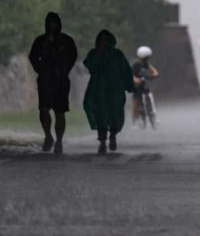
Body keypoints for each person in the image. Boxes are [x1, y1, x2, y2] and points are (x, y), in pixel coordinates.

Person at [28, 12, 78, 154]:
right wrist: (41, 70)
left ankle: (59, 141)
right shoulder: (40, 41)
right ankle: (48, 136)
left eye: (55, 23)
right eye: (50, 23)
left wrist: (65, 70)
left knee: (60, 111)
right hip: (45, 80)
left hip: (61, 80)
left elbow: (73, 56)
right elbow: (32, 57)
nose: (52, 26)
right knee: (44, 109)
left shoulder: (66, 41)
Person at [83, 29, 134, 154]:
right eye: (101, 40)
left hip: (115, 90)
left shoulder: (117, 55)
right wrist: (99, 55)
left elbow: (126, 70)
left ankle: (113, 136)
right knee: (101, 116)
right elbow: (90, 66)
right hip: (98, 90)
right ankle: (102, 142)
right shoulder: (94, 54)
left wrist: (129, 85)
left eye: (106, 40)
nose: (104, 42)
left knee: (115, 114)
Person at [132, 46, 159, 128]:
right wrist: (136, 80)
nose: (147, 59)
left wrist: (155, 74)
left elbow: (153, 69)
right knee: (136, 101)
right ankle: (134, 118)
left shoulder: (146, 64)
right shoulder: (136, 64)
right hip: (136, 85)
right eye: (146, 57)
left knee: (149, 96)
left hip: (144, 84)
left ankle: (152, 114)